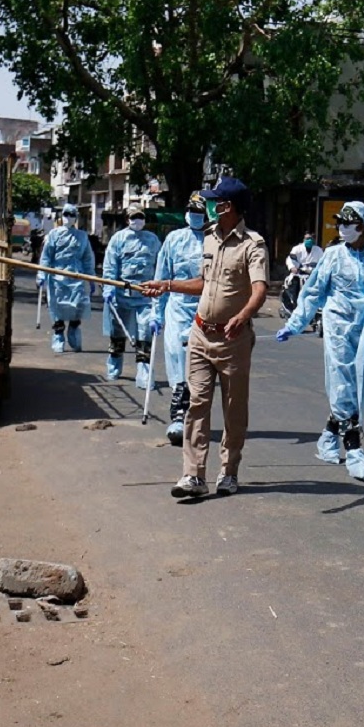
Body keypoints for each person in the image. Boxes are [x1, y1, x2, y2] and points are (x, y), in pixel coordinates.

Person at [140, 177, 268, 498]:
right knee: (196, 404)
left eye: (216, 201)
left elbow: (260, 289)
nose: (210, 206)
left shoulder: (253, 244)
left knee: (232, 408)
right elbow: (203, 282)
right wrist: (167, 285)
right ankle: (193, 475)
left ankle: (228, 472)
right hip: (200, 333)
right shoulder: (210, 238)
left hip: (232, 340)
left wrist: (243, 315)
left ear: (229, 206)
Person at [275, 202, 364, 482]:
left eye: (348, 224)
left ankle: (328, 438)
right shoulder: (333, 256)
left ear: (363, 228)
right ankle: (354, 448)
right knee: (342, 382)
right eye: (340, 223)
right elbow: (312, 293)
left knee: (361, 385)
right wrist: (295, 323)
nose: (342, 228)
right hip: (338, 324)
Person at [152, 192, 207, 446]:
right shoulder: (174, 239)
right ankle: (177, 416)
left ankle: (195, 418)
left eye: (200, 212)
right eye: (192, 211)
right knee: (176, 358)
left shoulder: (213, 240)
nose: (195, 216)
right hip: (177, 309)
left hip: (204, 309)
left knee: (198, 365)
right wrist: (157, 312)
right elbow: (162, 276)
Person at [102, 205, 162, 386]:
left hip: (145, 295)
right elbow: (110, 265)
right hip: (122, 293)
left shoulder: (153, 240)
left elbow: (160, 266)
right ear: (127, 219)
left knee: (144, 331)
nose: (138, 220)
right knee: (118, 331)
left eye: (140, 216)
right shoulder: (118, 239)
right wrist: (109, 287)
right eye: (134, 216)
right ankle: (114, 363)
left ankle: (143, 372)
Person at [37, 203, 94, 353]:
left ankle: (73, 332)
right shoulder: (53, 235)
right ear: (62, 216)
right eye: (66, 215)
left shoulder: (82, 236)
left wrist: (91, 278)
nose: (68, 218)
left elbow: (87, 259)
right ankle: (58, 335)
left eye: (71, 215)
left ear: (76, 217)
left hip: (77, 277)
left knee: (76, 307)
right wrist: (42, 274)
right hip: (57, 277)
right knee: (57, 308)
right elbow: (46, 257)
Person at [281, 232, 322, 316]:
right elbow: (290, 259)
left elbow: (322, 263)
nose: (309, 240)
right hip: (298, 275)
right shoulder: (297, 249)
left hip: (312, 276)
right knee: (294, 289)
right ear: (303, 240)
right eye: (307, 238)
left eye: (311, 238)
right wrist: (292, 268)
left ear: (314, 240)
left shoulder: (318, 250)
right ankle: (293, 308)